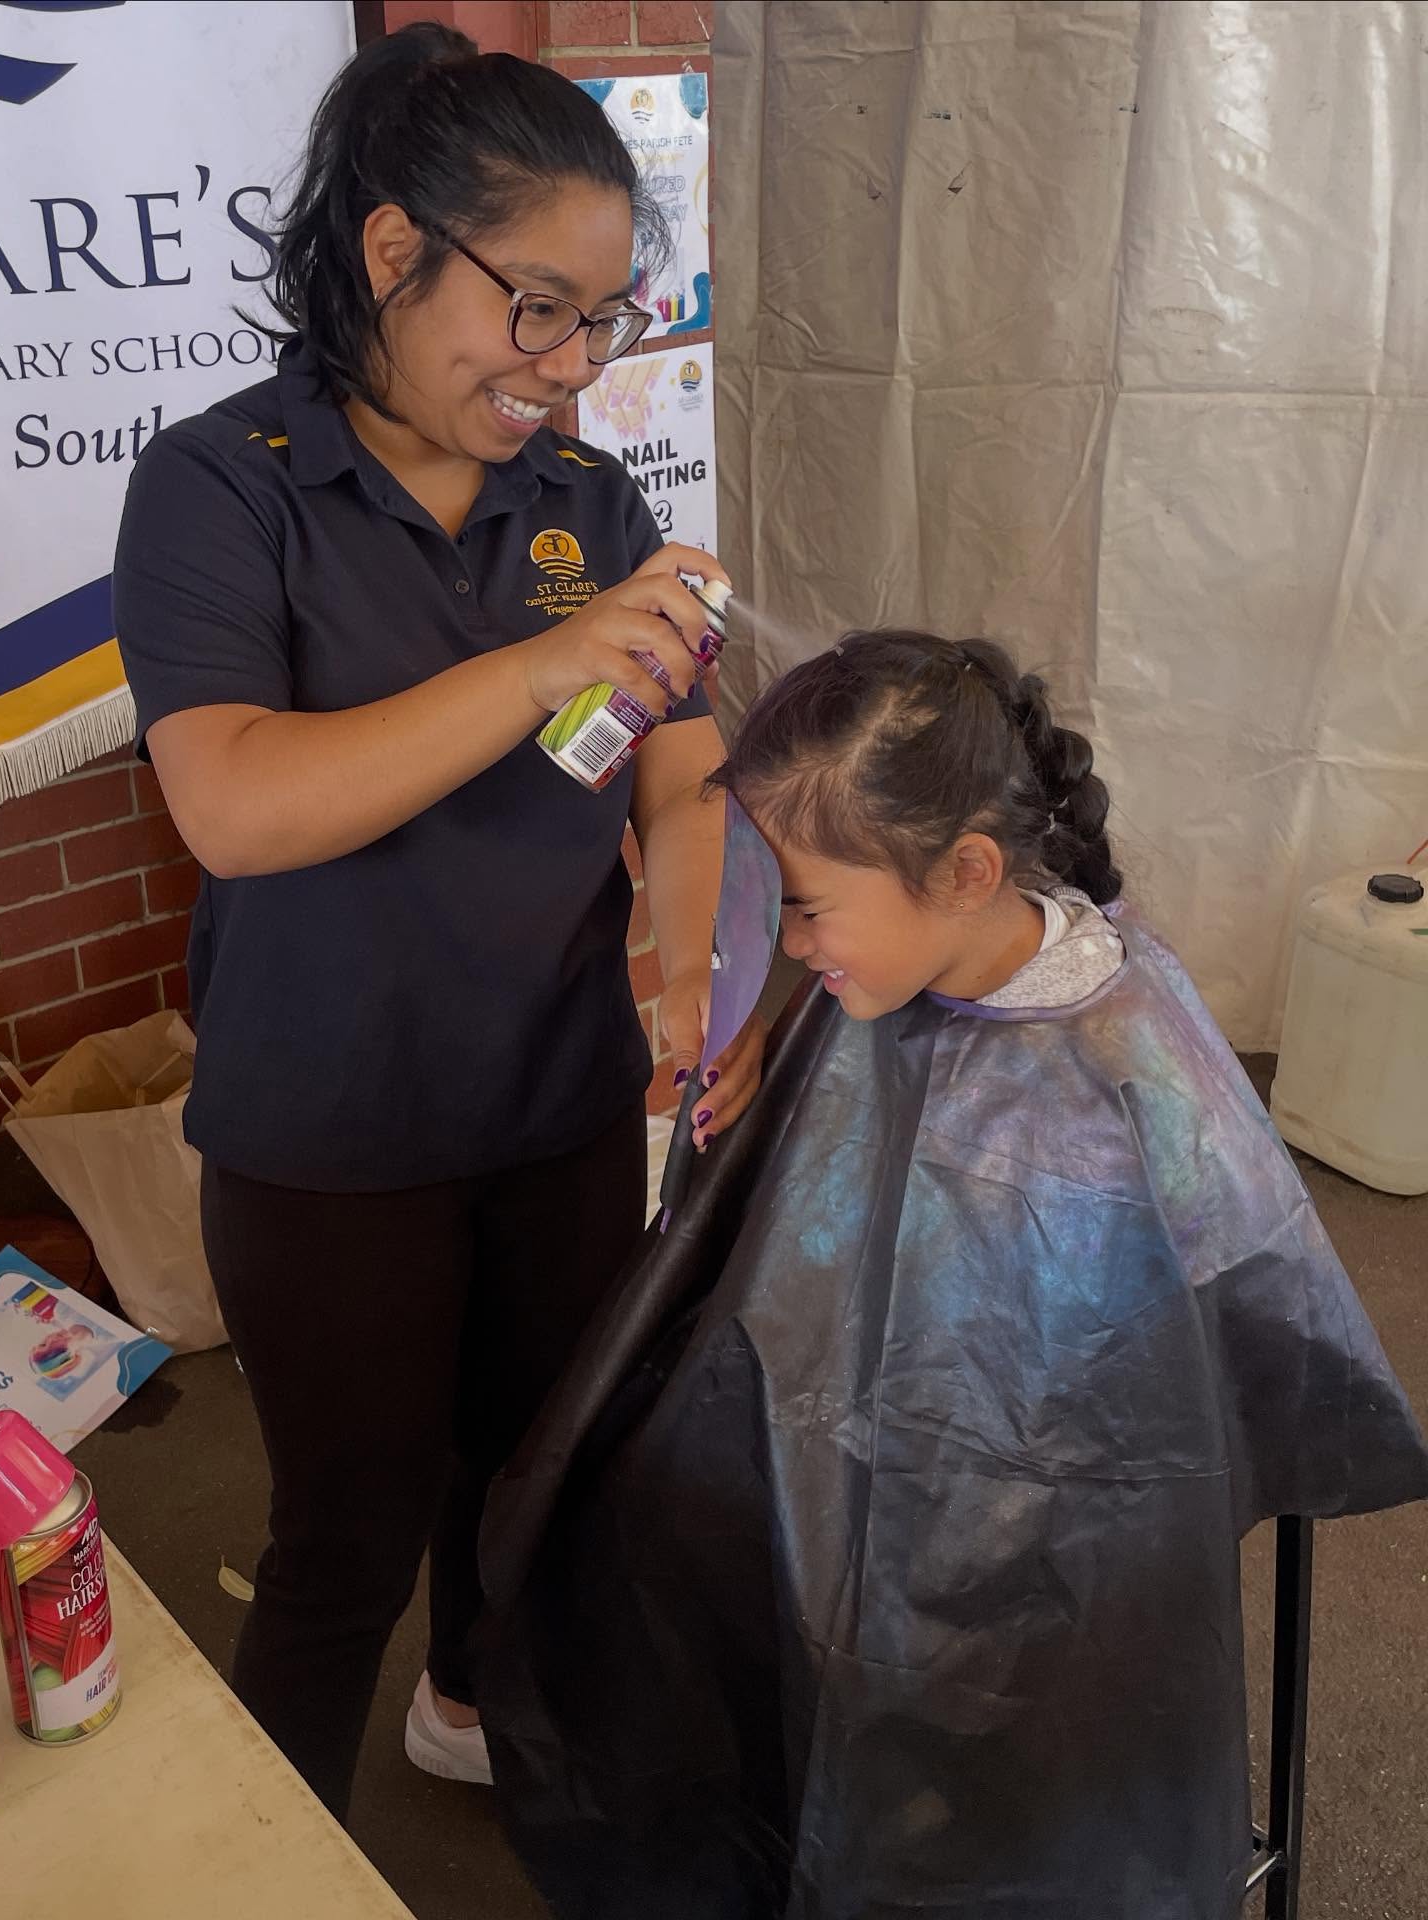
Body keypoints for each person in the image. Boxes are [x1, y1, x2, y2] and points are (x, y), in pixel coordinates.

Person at [475, 634, 1428, 1919]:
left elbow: (1248, 1310)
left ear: (969, 870)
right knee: (627, 1513)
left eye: (802, 907)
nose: (789, 936)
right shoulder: (889, 960)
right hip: (831, 1433)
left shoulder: (1125, 1057)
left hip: (1043, 1534)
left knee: (936, 1649)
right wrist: (762, 1016)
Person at [111, 25, 763, 1821]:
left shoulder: (587, 505)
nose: (562, 371)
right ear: (396, 254)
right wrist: (545, 657)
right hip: (331, 1133)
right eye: (533, 310)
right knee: (344, 1527)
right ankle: (275, 1848)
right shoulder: (223, 485)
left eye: (602, 320)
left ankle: (470, 1709)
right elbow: (235, 800)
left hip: (554, 1097)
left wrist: (687, 964)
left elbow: (683, 772)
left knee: (532, 1464)